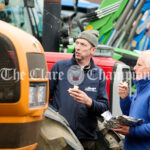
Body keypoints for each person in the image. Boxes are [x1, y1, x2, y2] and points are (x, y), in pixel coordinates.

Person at [49, 30, 109, 150]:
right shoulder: (60, 66)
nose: (78, 48)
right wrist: (55, 113)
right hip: (60, 136)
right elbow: (43, 98)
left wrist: (89, 102)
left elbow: (104, 107)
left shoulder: (98, 74)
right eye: (77, 43)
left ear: (93, 50)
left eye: (83, 45)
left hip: (86, 139)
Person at [112, 51, 150, 150]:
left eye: (139, 65)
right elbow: (130, 115)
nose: (134, 68)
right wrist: (125, 98)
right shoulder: (141, 87)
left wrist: (130, 131)